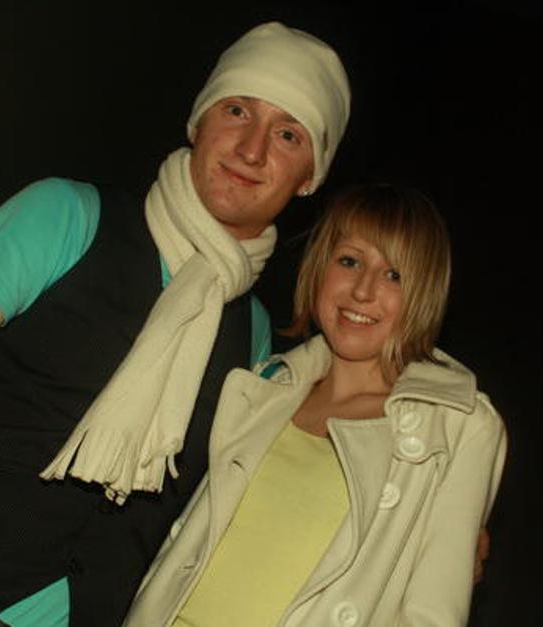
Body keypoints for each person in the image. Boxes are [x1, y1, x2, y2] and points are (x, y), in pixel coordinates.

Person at [0, 22, 350, 627]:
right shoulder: (66, 216)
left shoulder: (254, 339)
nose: (252, 149)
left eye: (287, 134)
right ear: (198, 122)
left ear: (309, 177)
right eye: (237, 110)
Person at [126, 183, 508, 626]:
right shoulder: (266, 386)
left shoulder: (459, 425)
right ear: (320, 265)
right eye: (350, 261)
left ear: (425, 292)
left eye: (394, 275)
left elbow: (431, 614)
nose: (363, 290)